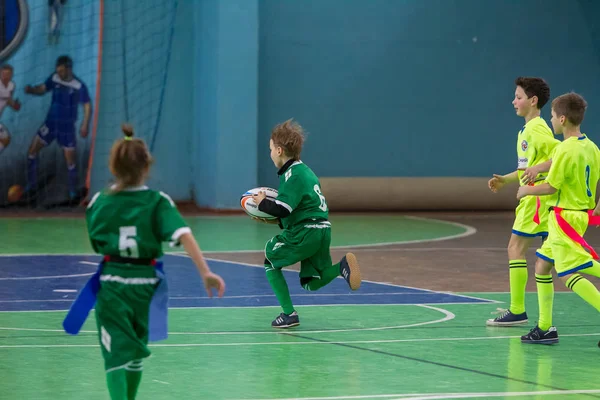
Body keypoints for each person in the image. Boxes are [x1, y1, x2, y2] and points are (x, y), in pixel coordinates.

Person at [68, 124, 225, 399]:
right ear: (146, 167)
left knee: (115, 354)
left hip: (113, 285)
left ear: (113, 167)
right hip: (146, 286)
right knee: (137, 349)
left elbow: (96, 240)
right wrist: (206, 272)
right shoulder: (157, 201)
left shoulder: (98, 202)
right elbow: (184, 235)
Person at [252, 118, 361, 328]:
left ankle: (288, 314)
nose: (270, 153)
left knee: (270, 260)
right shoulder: (307, 172)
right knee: (310, 282)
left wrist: (263, 204)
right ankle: (341, 268)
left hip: (305, 231)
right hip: (321, 229)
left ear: (280, 150)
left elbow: (283, 208)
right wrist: (278, 219)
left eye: (271, 149)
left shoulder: (292, 175)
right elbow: (299, 208)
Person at [517, 92, 600, 345]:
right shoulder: (590, 146)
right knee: (542, 265)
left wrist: (527, 190)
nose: (551, 120)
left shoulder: (565, 148)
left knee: (570, 273)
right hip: (574, 216)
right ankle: (545, 328)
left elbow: (552, 187)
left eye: (552, 116)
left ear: (562, 119)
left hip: (565, 217)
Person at [486, 77, 559, 326]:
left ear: (533, 100)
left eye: (518, 97)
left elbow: (561, 155)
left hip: (537, 201)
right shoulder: (529, 129)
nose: (513, 101)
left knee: (516, 248)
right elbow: (526, 169)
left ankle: (517, 310)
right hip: (538, 199)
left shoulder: (536, 128)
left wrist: (537, 172)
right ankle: (524, 313)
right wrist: (506, 181)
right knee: (550, 259)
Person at [24, 55, 91, 202]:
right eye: (58, 71)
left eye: (62, 71)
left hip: (67, 128)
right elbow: (43, 88)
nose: (59, 74)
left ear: (69, 69)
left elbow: (86, 105)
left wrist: (85, 123)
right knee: (31, 152)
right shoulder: (54, 78)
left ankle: (73, 192)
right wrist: (32, 90)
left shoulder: (79, 86)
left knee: (71, 162)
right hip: (50, 124)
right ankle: (31, 185)